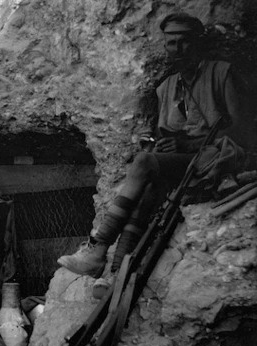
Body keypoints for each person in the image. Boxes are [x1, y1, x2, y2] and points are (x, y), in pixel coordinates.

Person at [57, 12, 254, 298]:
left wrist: (186, 146)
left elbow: (244, 134)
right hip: (185, 165)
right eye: (171, 43)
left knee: (145, 163)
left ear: (198, 42)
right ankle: (113, 272)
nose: (177, 49)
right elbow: (167, 135)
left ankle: (98, 246)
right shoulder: (167, 87)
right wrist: (164, 146)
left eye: (184, 42)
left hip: (218, 160)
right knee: (150, 185)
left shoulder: (222, 73)